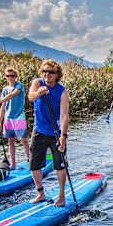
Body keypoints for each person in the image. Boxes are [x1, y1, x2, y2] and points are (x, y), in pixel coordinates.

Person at [27, 59, 70, 206]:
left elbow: (64, 116)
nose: (47, 74)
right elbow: (30, 97)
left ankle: (61, 196)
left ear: (57, 75)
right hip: (38, 131)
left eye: (51, 72)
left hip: (55, 133)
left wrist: (63, 136)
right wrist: (38, 92)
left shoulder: (62, 92)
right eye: (45, 71)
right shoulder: (37, 83)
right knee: (34, 165)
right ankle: (41, 194)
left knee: (60, 165)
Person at [0, 67, 30, 170]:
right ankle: (13, 164)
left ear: (15, 76)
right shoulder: (4, 90)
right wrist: (0, 120)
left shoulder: (19, 86)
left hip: (19, 117)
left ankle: (30, 160)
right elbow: (3, 105)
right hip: (8, 119)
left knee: (23, 140)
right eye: (8, 76)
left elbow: (12, 95)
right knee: (11, 141)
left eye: (12, 76)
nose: (10, 78)